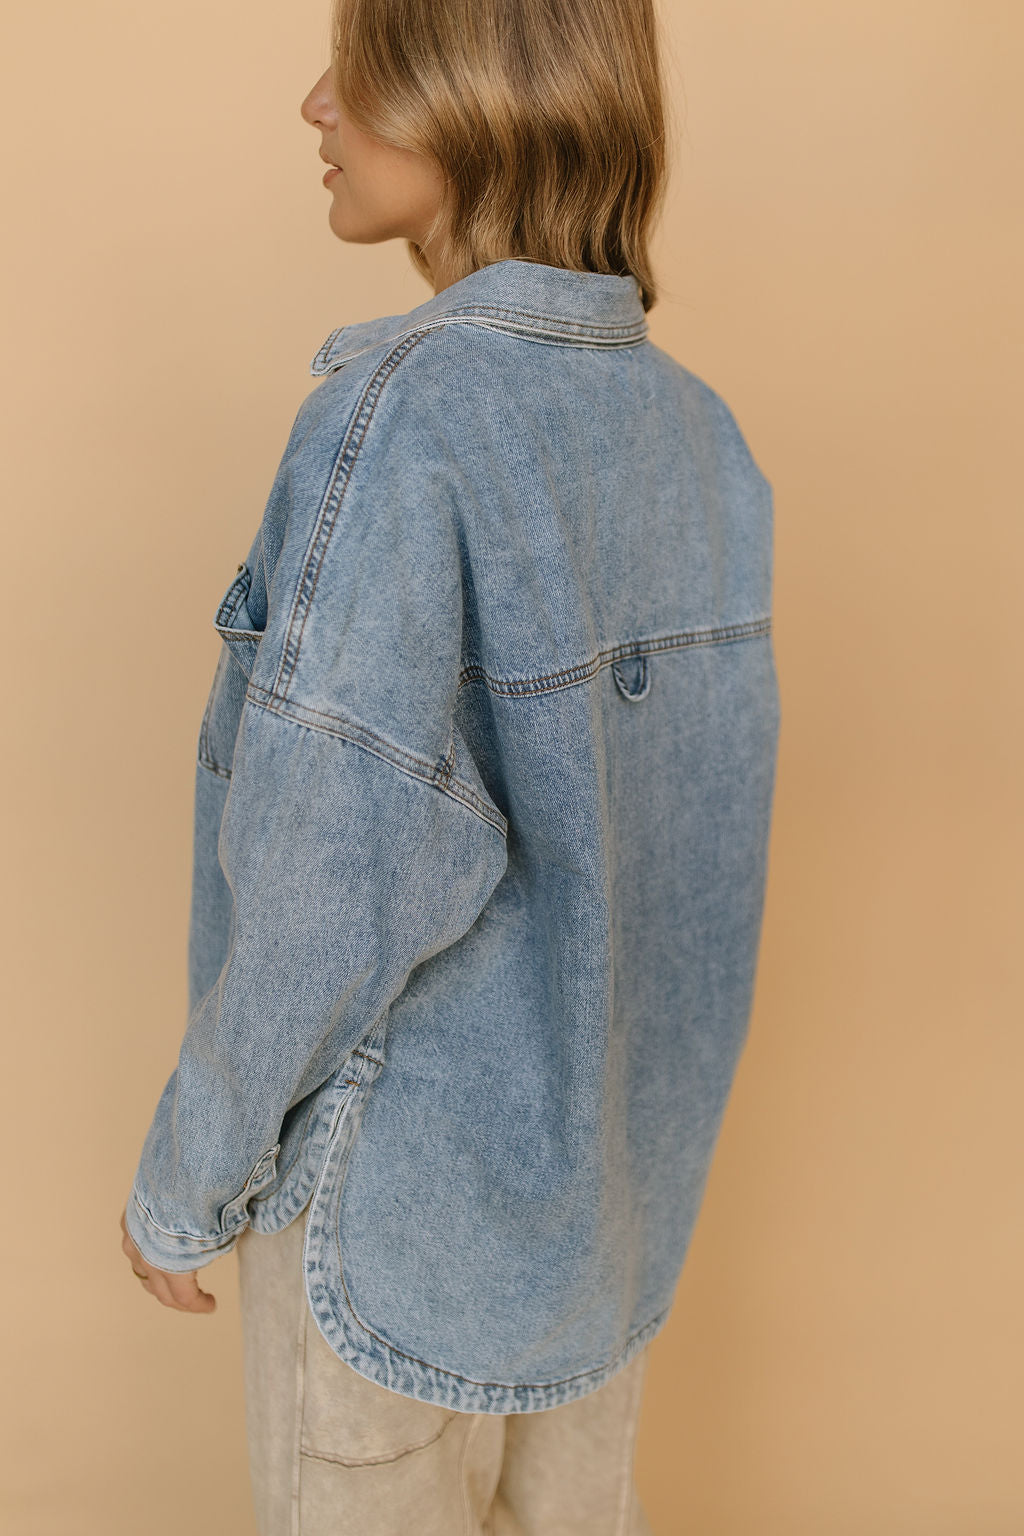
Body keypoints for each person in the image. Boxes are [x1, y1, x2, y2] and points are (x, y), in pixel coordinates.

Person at [120, 0, 781, 1530]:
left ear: (474, 89)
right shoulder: (702, 442)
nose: (315, 105)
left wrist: (188, 1176)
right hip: (599, 1231)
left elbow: (332, 866)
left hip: (395, 1231)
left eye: (358, 66)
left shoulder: (398, 421)